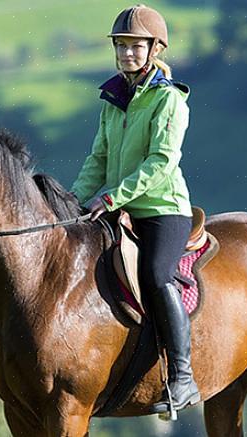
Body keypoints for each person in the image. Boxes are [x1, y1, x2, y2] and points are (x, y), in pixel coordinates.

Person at [70, 4, 200, 411]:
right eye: (121, 46)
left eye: (135, 46)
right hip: (119, 206)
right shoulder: (114, 99)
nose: (127, 53)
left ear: (154, 49)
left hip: (163, 209)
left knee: (157, 274)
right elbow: (98, 159)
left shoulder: (169, 101)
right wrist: (72, 204)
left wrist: (110, 197)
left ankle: (182, 377)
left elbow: (161, 163)